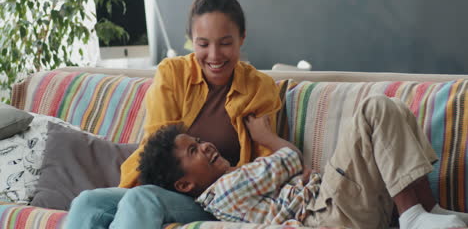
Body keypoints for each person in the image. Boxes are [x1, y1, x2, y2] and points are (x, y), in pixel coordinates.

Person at [65, 0, 281, 229]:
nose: (214, 55)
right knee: (88, 202)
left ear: (241, 38)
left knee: (144, 198)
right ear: (192, 41)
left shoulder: (259, 87)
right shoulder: (173, 74)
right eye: (203, 44)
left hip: (219, 200)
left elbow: (268, 167)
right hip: (162, 188)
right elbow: (159, 149)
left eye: (225, 43)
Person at [138, 95, 468, 229]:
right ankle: (412, 218)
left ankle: (428, 212)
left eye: (198, 141)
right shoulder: (224, 190)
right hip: (327, 216)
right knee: (374, 110)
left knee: (387, 114)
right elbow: (290, 159)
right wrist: (267, 138)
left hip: (336, 208)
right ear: (184, 185)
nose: (205, 145)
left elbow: (291, 169)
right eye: (193, 151)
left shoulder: (237, 184)